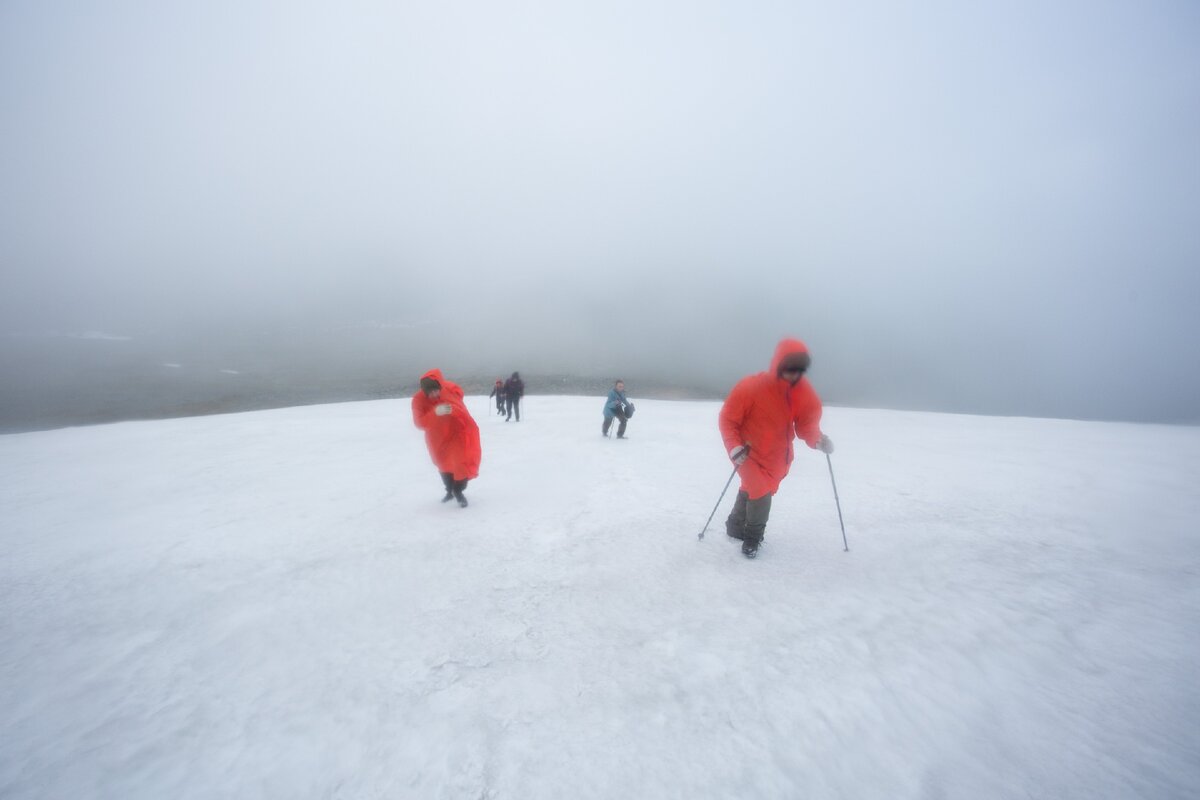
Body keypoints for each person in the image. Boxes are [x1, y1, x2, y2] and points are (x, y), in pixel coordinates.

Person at [719, 338, 834, 559]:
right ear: (780, 364)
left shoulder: (803, 394)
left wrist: (819, 440)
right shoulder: (751, 387)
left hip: (777, 458)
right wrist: (734, 447)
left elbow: (807, 425)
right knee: (760, 491)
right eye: (790, 368)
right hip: (746, 453)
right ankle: (753, 539)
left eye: (799, 370)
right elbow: (728, 420)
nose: (794, 374)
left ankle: (735, 525)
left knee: (754, 488)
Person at [412, 368, 481, 508]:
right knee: (443, 464)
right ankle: (449, 490)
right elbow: (419, 423)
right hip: (436, 438)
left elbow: (458, 393)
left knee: (460, 463)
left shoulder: (447, 389)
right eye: (430, 393)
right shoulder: (418, 400)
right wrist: (435, 413)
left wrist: (453, 408)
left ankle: (458, 490)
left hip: (456, 434)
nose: (434, 394)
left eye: (436, 390)